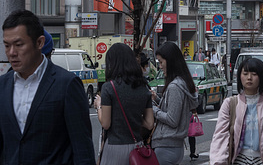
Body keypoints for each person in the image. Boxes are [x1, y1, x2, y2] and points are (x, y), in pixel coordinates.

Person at [0, 9, 95, 164]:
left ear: (39, 43)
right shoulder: (3, 86)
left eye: (18, 45)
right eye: (6, 45)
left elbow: (82, 149)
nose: (11, 53)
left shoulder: (66, 84)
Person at [210, 58, 263, 164]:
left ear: (261, 77)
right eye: (245, 73)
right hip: (239, 159)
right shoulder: (230, 103)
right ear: (240, 76)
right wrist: (218, 162)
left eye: (254, 74)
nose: (249, 78)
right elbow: (221, 135)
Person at [95, 43, 155, 163]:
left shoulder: (109, 87)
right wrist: (133, 116)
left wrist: (99, 106)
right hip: (137, 147)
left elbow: (106, 124)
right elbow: (149, 124)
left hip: (114, 148)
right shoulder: (143, 86)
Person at [153, 42, 199, 165]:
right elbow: (174, 107)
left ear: (171, 61)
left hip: (166, 146)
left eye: (161, 62)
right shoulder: (182, 82)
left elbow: (172, 119)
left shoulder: (175, 86)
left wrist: (153, 109)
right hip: (174, 146)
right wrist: (157, 100)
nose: (160, 66)